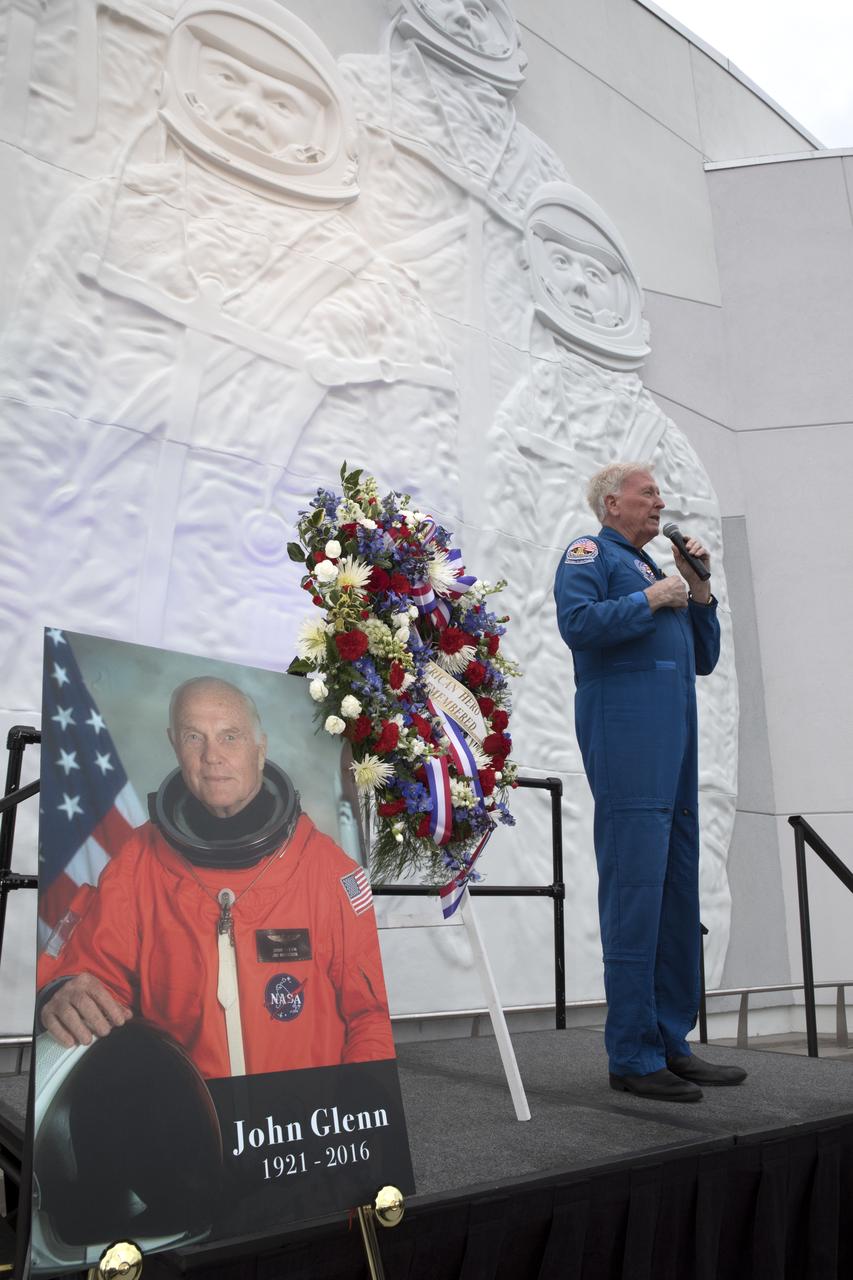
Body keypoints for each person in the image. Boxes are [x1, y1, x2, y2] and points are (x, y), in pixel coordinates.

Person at [37, 676, 394, 1079]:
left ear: (260, 749)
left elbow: (370, 1018)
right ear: (174, 744)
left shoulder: (329, 871)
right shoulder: (136, 865)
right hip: (188, 1125)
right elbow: (92, 986)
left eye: (230, 737)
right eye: (194, 737)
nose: (212, 756)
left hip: (302, 1127)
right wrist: (65, 992)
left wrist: (357, 1117)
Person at [553, 462, 746, 1102]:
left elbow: (706, 656)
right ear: (613, 504)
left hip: (676, 747)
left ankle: (670, 1040)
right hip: (629, 743)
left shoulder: (659, 568)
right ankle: (632, 1054)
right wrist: (647, 600)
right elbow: (577, 624)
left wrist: (696, 585)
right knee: (636, 889)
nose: (660, 503)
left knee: (674, 893)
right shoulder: (591, 554)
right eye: (648, 494)